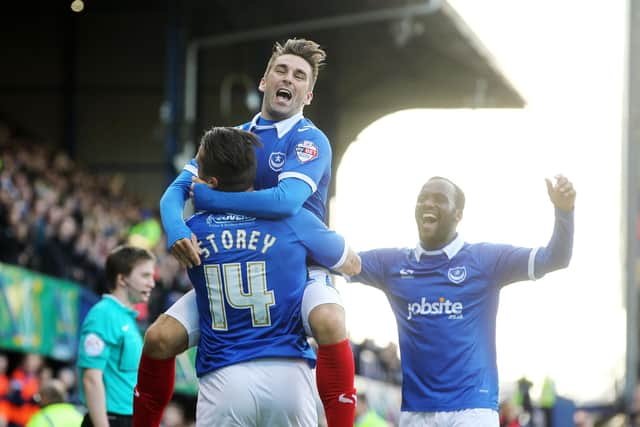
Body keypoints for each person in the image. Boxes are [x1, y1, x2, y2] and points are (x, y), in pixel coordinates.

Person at [134, 38, 357, 427]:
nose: (289, 78)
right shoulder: (234, 138)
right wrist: (175, 231)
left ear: (309, 92)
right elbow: (175, 191)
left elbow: (286, 202)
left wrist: (212, 201)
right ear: (264, 81)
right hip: (240, 265)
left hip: (299, 270)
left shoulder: (309, 139)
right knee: (157, 339)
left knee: (330, 322)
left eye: (299, 75)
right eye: (281, 70)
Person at [350, 175, 576, 427]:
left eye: (439, 199)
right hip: (415, 413)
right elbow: (338, 260)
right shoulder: (392, 264)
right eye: (422, 198)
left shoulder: (485, 260)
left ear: (458, 215)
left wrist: (564, 212)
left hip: (472, 410)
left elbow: (554, 259)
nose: (427, 204)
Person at [188, 127, 360, 425]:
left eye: (197, 169)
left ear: (210, 182)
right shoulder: (293, 220)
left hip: (224, 378)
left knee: (160, 337)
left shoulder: (191, 231)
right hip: (287, 376)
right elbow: (352, 264)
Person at [77, 245, 155, 427]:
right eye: (145, 275)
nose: (152, 283)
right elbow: (91, 378)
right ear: (122, 279)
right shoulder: (104, 314)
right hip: (110, 420)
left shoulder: (126, 319)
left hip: (128, 418)